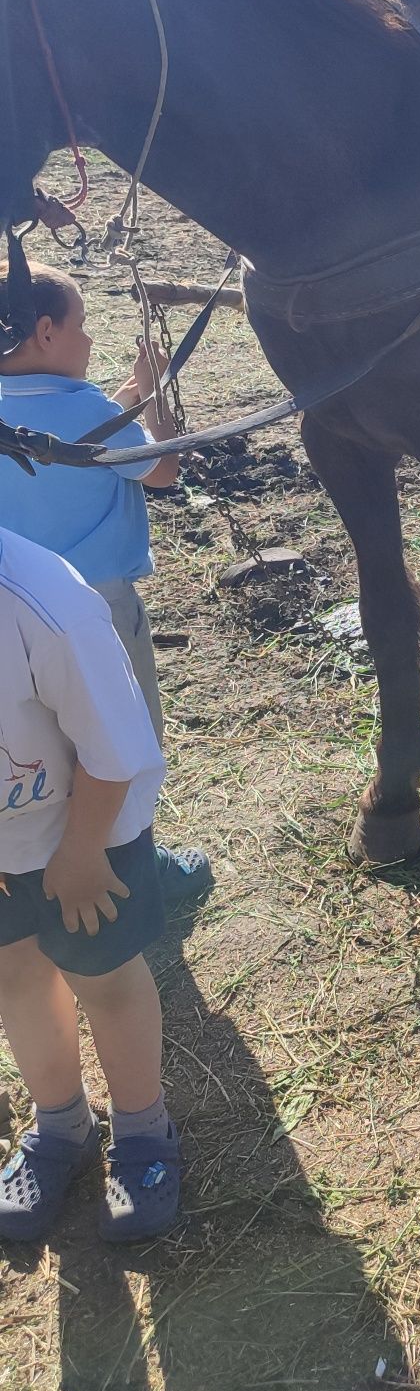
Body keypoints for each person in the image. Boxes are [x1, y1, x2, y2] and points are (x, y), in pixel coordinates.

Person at [0, 264, 210, 908]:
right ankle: (136, 871)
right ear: (45, 331)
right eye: (82, 327)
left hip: (13, 611)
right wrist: (157, 395)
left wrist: (125, 404)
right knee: (120, 737)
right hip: (98, 612)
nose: (90, 341)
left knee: (40, 742)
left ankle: (39, 866)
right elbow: (163, 469)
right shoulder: (91, 409)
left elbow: (83, 439)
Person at [0, 522, 179, 1242]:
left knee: (102, 975)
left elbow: (114, 752)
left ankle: (144, 1134)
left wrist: (78, 856)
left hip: (89, 831)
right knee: (13, 974)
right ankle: (61, 1125)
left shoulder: (45, 606)